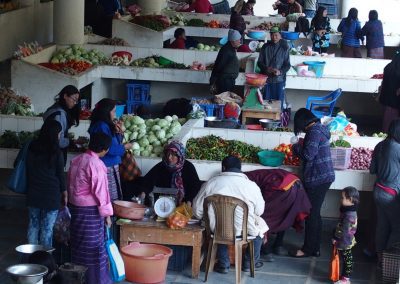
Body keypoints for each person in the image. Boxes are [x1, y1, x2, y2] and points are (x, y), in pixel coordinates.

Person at [193, 156, 268, 274]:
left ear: (223, 168)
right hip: (244, 231)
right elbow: (260, 211)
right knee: (260, 228)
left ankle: (223, 263)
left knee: (220, 225)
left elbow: (197, 211)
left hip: (216, 230)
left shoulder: (210, 183)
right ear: (240, 168)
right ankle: (249, 262)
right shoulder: (252, 186)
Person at [68, 132, 114, 284]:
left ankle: (77, 277)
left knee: (79, 244)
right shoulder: (96, 164)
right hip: (90, 213)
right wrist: (107, 215)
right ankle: (95, 280)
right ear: (105, 149)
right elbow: (102, 192)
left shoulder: (77, 159)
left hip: (76, 209)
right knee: (94, 248)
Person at [289, 108, 335, 257]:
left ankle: (308, 249)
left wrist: (296, 147)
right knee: (315, 214)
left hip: (318, 178)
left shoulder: (314, 132)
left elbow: (308, 155)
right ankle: (315, 248)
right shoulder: (320, 128)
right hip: (324, 176)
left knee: (311, 214)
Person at [245, 169, 311, 261]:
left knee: (262, 218)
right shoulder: (252, 174)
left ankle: (265, 251)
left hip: (280, 188)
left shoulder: (244, 180)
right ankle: (278, 245)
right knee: (284, 216)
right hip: (296, 185)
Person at [26, 120, 66, 249]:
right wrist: (64, 192)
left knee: (33, 225)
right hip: (50, 195)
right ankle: (44, 262)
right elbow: (60, 174)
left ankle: (30, 259)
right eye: (59, 133)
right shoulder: (56, 152)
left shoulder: (32, 147)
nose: (60, 136)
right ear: (54, 134)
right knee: (47, 229)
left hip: (33, 192)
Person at [88, 98, 132, 202]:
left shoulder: (106, 125)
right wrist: (125, 147)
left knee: (113, 195)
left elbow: (115, 142)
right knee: (109, 197)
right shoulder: (101, 126)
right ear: (106, 112)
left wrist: (119, 132)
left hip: (111, 164)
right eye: (114, 111)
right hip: (106, 165)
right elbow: (108, 149)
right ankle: (109, 217)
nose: (115, 114)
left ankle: (111, 217)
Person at [370, 119, 400, 266]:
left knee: (382, 225)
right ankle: (389, 258)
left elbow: (372, 170)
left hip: (378, 190)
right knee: (397, 227)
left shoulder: (379, 145)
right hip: (390, 194)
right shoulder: (397, 148)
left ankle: (380, 256)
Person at [135, 141, 201, 204]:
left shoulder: (188, 167)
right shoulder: (162, 165)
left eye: (173, 155)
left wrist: (189, 201)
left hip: (183, 204)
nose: (169, 157)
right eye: (168, 154)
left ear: (180, 156)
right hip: (163, 203)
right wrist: (143, 193)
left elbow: (195, 186)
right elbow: (148, 180)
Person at [43, 85, 80, 165]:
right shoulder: (60, 114)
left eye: (76, 101)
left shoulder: (52, 109)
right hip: (54, 155)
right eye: (74, 99)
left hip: (47, 154)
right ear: (65, 96)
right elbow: (59, 141)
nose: (75, 103)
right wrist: (70, 142)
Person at [257, 26, 291, 109]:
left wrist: (280, 72)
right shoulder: (265, 47)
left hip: (279, 81)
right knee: (266, 104)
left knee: (278, 105)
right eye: (272, 35)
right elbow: (259, 62)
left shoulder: (284, 48)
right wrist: (267, 68)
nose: (274, 37)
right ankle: (264, 120)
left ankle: (277, 121)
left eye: (276, 35)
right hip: (266, 80)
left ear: (280, 35)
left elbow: (287, 65)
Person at [332, 186, 359, 284]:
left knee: (347, 260)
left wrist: (337, 239)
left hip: (345, 241)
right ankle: (344, 277)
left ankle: (345, 280)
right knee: (346, 258)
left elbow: (344, 231)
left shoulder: (349, 215)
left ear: (350, 199)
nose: (341, 199)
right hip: (345, 239)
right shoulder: (348, 211)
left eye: (343, 198)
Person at [210, 29, 241, 94]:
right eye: (238, 40)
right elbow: (219, 66)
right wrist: (213, 80)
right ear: (233, 41)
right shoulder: (226, 51)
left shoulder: (230, 49)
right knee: (224, 100)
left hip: (228, 81)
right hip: (224, 82)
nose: (239, 41)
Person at [379, 51, 400, 132]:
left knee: (387, 122)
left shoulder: (391, 65)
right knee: (391, 125)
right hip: (393, 100)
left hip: (387, 99)